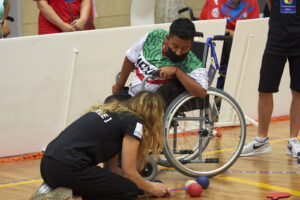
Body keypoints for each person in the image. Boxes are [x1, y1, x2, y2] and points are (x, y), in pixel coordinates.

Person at [30, 91, 171, 200]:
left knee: (128, 186)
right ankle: (72, 197)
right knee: (129, 190)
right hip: (68, 169)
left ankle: (54, 191)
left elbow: (111, 169)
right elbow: (129, 173)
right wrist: (151, 188)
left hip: (48, 166)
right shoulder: (134, 122)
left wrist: (141, 186)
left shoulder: (115, 114)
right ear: (152, 114)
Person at [240, 0, 300, 157]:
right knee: (265, 89)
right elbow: (271, 6)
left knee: (298, 91)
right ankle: (261, 140)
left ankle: (293, 140)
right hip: (276, 41)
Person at [106, 18, 208, 106]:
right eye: (175, 46)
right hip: (131, 94)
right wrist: (119, 85)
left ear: (191, 44)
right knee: (109, 104)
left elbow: (202, 92)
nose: (178, 52)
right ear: (167, 38)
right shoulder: (154, 36)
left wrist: (177, 71)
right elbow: (130, 57)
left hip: (150, 105)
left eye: (185, 48)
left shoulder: (192, 63)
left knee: (121, 118)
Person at [199, 0, 259, 90]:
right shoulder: (215, 2)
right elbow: (216, 27)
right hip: (214, 40)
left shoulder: (252, 2)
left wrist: (237, 34)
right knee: (228, 42)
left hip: (240, 40)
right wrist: (236, 33)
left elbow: (254, 28)